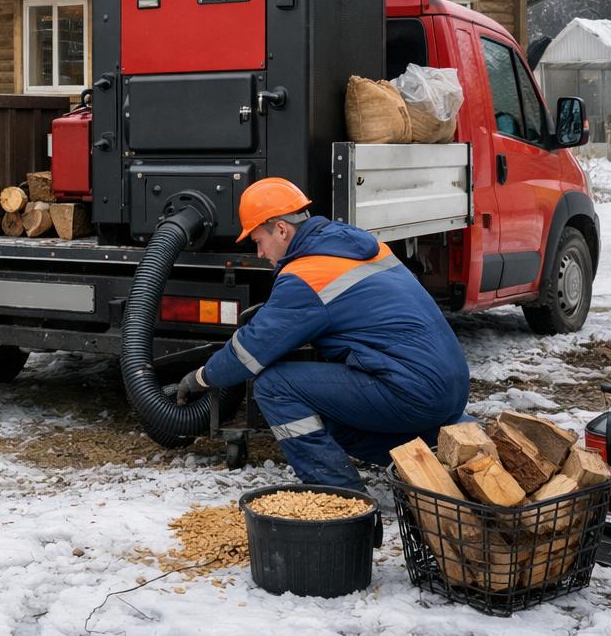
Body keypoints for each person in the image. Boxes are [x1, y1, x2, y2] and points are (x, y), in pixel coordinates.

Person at [175, 177, 470, 491]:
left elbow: (250, 352)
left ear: (281, 229)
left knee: (275, 386)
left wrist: (201, 378)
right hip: (450, 388)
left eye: (258, 240)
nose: (259, 252)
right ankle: (447, 461)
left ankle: (341, 499)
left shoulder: (307, 275)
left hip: (413, 392)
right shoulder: (359, 245)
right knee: (336, 425)